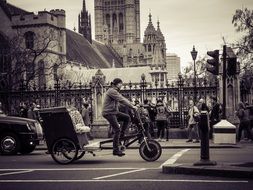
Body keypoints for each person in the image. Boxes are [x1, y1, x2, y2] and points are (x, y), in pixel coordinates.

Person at [102, 78, 137, 156]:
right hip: (108, 113)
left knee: (127, 118)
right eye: (120, 83)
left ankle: (121, 136)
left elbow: (122, 99)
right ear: (116, 84)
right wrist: (132, 106)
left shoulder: (115, 91)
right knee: (117, 129)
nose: (121, 85)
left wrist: (132, 105)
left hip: (114, 112)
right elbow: (121, 99)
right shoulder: (112, 91)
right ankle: (115, 150)